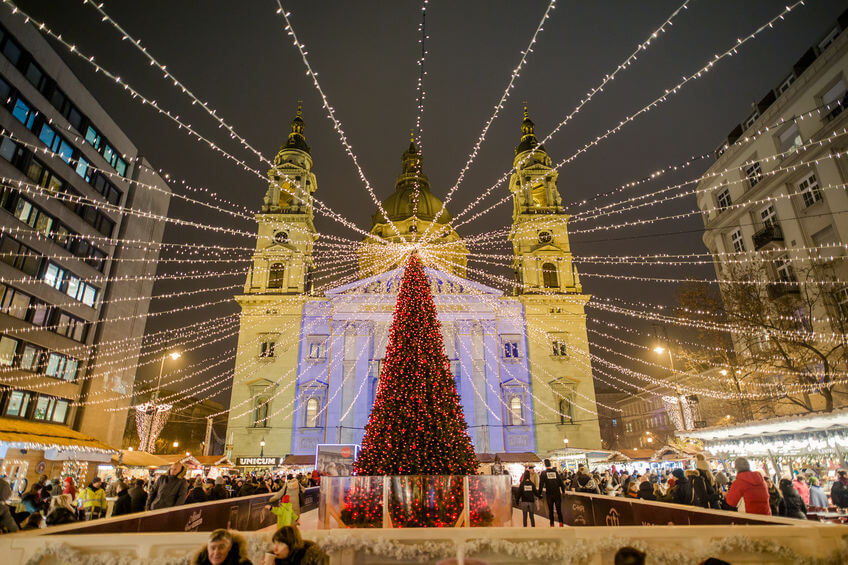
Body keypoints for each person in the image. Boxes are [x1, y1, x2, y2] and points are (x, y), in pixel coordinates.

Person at [263, 525, 328, 565]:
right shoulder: (275, 558)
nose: (275, 549)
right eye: (275, 543)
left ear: (292, 544)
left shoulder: (311, 556)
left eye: (280, 544)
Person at [537, 459, 565, 527]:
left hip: (549, 494)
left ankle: (552, 524)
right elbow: (561, 483)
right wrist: (563, 491)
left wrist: (539, 494)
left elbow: (541, 484)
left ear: (545, 465)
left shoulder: (543, 473)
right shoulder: (555, 472)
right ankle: (561, 523)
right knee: (559, 509)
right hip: (557, 493)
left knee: (551, 510)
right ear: (550, 464)